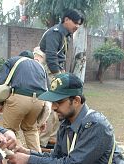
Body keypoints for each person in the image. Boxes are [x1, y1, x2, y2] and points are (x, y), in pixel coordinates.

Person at [39, 9, 84, 150]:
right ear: (66, 19)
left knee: (62, 108)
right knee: (54, 107)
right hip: (51, 71)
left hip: (57, 71)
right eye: (75, 22)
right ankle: (41, 142)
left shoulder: (66, 34)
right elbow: (51, 57)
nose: (77, 26)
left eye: (79, 24)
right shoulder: (55, 33)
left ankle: (50, 138)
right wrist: (59, 77)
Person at [0, 49, 49, 152]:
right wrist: (44, 117)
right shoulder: (40, 67)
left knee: (10, 129)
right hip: (39, 101)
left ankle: (16, 157)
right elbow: (48, 89)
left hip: (19, 98)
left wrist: (0, 103)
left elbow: (2, 83)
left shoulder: (13, 61)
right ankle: (37, 158)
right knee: (31, 129)